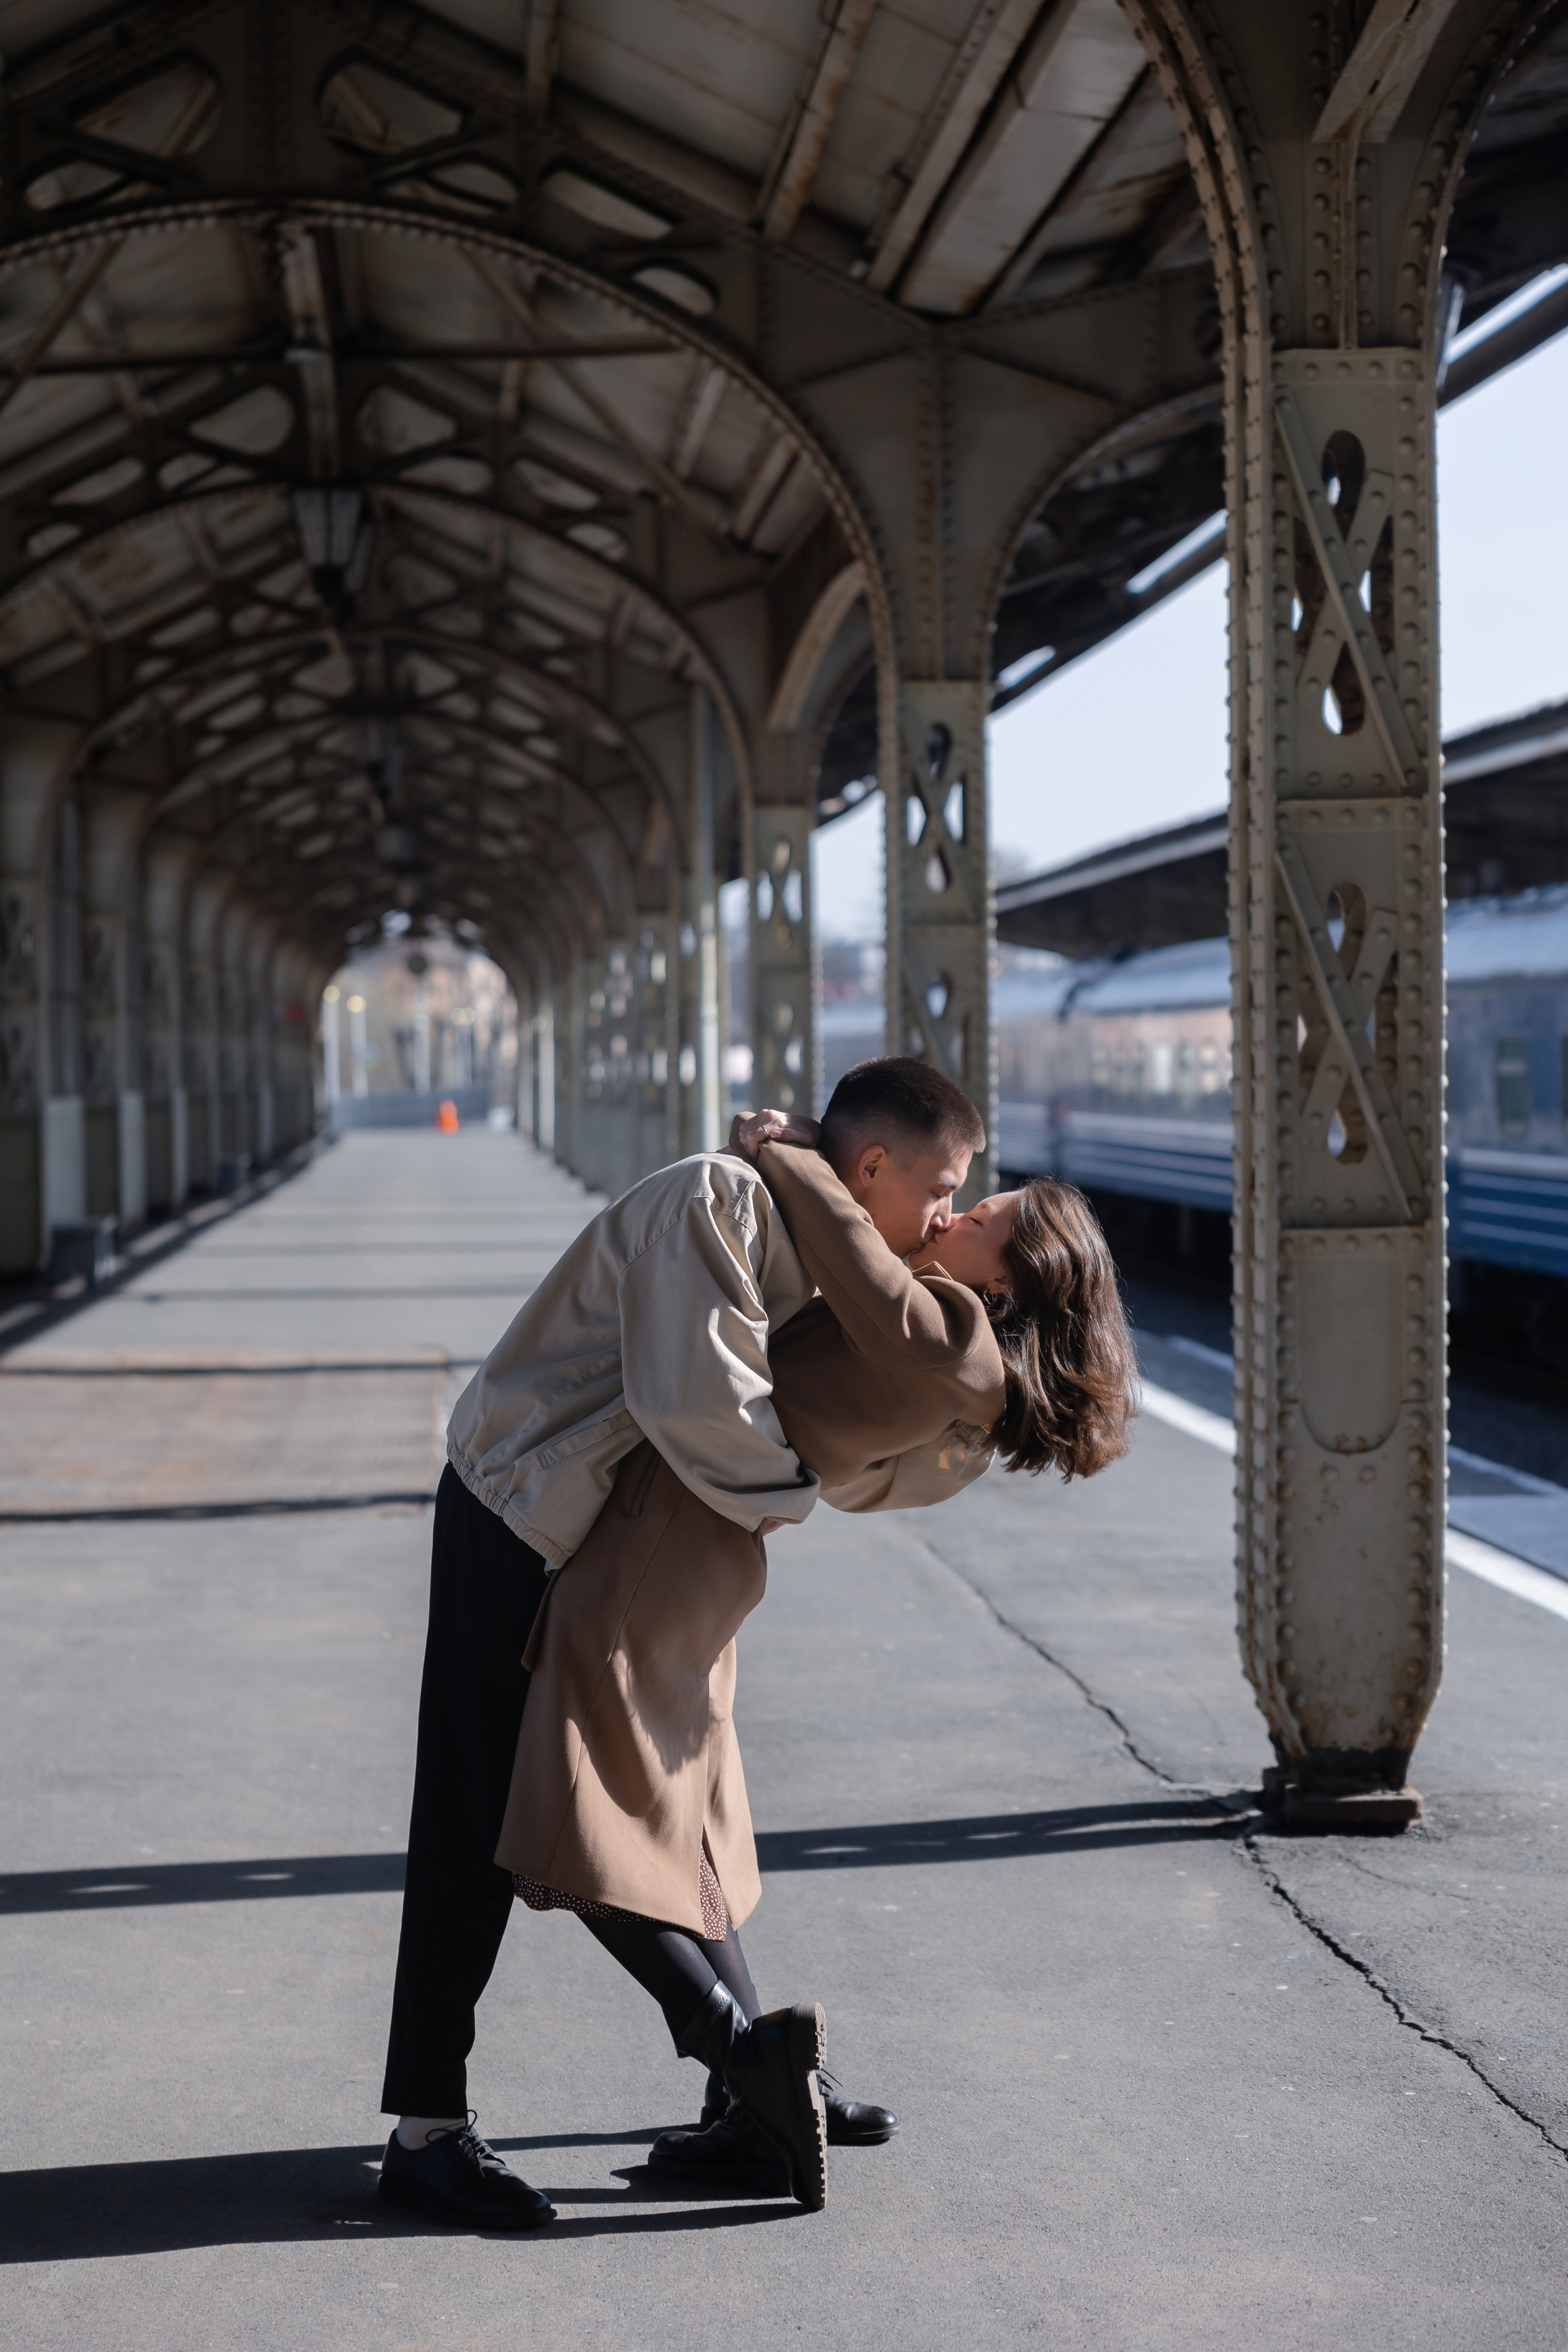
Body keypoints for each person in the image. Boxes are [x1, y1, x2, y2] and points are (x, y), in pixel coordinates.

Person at [500, 1064, 1136, 2201]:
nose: (955, 1213)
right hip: (709, 1553)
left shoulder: (947, 1332)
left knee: (569, 1815)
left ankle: (750, 2060)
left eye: (980, 1216)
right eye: (960, 1194)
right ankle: (762, 2096)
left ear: (1014, 1273)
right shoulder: (967, 1367)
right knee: (683, 1821)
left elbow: (852, 1256)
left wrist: (781, 1145)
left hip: (664, 1541)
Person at [377, 1071, 979, 2228]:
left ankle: (755, 2084)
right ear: (872, 1173)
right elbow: (696, 1400)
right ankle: (427, 2131)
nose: (948, 1217)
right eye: (942, 1190)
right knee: (474, 1810)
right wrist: (796, 1493)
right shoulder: (723, 1203)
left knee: (687, 1795)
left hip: (619, 1537)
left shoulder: (819, 1246)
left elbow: (818, 1433)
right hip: (523, 1516)